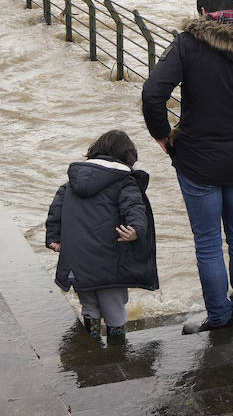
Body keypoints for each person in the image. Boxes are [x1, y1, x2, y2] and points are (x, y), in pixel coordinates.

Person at [141, 0, 233, 334]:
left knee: (208, 243)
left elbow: (152, 93)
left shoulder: (188, 44)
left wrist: (162, 134)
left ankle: (218, 318)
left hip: (197, 160)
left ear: (202, 13)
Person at [45, 129, 158, 344]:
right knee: (114, 307)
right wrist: (136, 229)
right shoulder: (125, 182)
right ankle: (117, 350)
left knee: (89, 305)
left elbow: (55, 213)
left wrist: (54, 239)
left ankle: (92, 343)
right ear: (127, 156)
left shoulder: (70, 184)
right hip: (110, 261)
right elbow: (134, 207)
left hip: (77, 262)